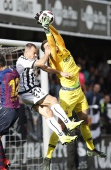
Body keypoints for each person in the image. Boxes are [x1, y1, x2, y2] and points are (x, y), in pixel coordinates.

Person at [34, 13, 106, 169]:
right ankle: (48, 156)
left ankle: (91, 149)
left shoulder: (64, 50)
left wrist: (49, 27)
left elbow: (57, 37)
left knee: (85, 121)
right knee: (61, 126)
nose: (50, 45)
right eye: (45, 46)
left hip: (78, 92)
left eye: (49, 43)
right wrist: (46, 30)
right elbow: (52, 46)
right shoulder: (53, 57)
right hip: (67, 95)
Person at [16, 43, 84, 146]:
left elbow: (45, 67)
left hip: (26, 94)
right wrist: (47, 53)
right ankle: (68, 123)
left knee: (48, 112)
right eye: (34, 53)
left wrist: (60, 72)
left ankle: (62, 136)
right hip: (29, 91)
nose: (35, 55)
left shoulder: (30, 61)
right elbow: (41, 62)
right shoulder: (22, 60)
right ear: (27, 52)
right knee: (53, 100)